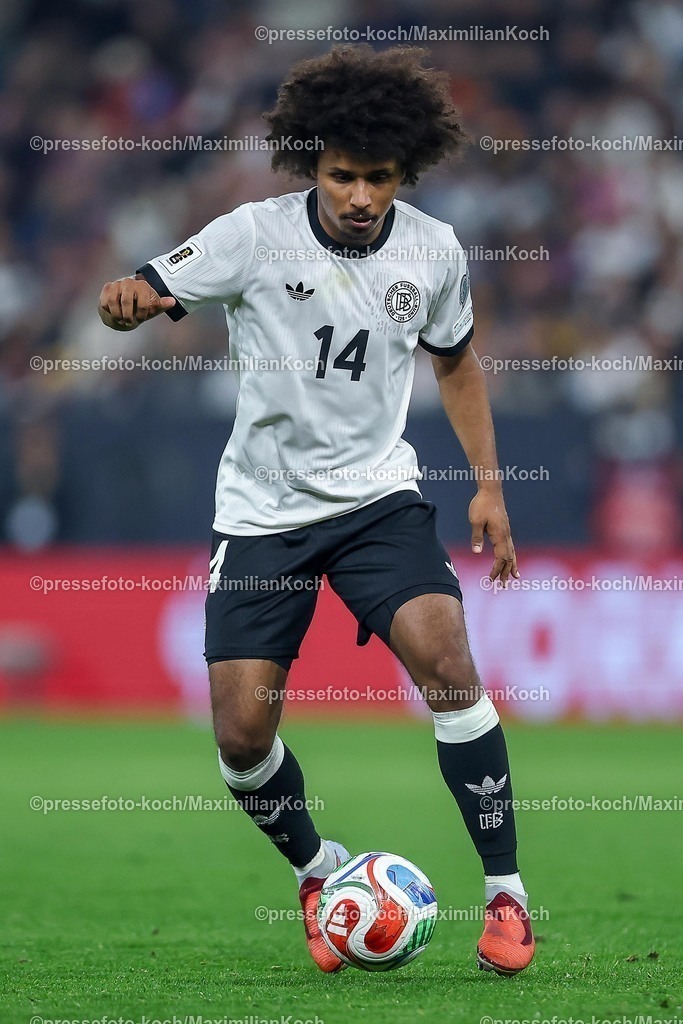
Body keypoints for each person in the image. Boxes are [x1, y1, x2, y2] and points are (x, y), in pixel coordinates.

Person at [98, 44, 534, 977]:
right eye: (342, 175)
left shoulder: (433, 249)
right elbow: (150, 286)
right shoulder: (253, 235)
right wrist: (130, 303)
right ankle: (318, 871)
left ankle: (506, 898)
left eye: (378, 178)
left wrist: (488, 483)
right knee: (241, 736)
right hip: (262, 512)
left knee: (450, 663)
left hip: (379, 499)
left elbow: (453, 360)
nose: (360, 196)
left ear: (402, 174)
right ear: (312, 166)